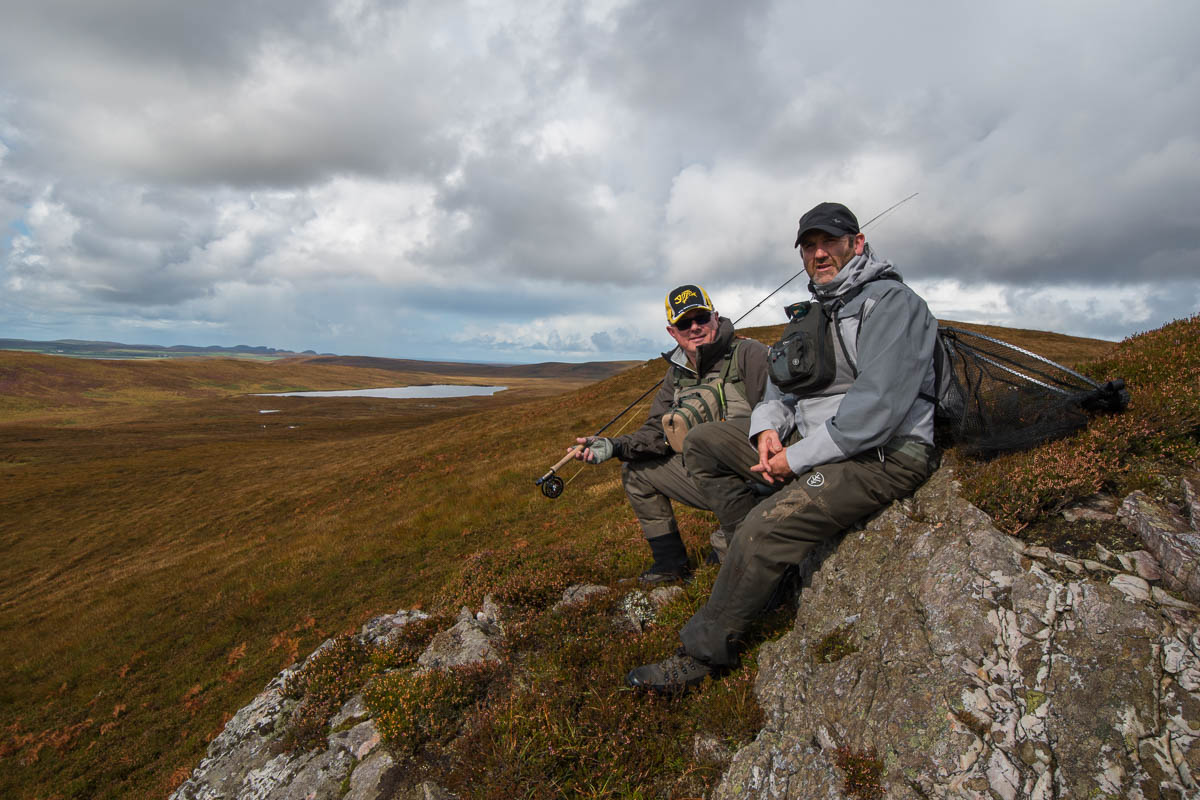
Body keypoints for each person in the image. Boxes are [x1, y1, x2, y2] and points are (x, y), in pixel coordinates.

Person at [626, 202, 939, 691]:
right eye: (809, 246)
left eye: (830, 242)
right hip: (812, 442)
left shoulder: (891, 303)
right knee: (705, 443)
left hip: (882, 455)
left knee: (761, 528)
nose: (819, 254)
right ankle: (753, 569)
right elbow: (781, 387)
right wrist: (767, 431)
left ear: (857, 244)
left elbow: (876, 412)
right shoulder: (816, 311)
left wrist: (794, 459)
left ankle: (703, 654)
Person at [570, 284, 768, 584]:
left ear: (715, 317)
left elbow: (780, 413)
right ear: (672, 332)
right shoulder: (676, 374)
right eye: (684, 323)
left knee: (728, 570)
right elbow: (655, 430)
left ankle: (738, 531)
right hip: (707, 480)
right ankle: (670, 566)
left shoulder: (749, 354)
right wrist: (614, 446)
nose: (695, 328)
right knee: (636, 473)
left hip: (758, 479)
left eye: (701, 317)